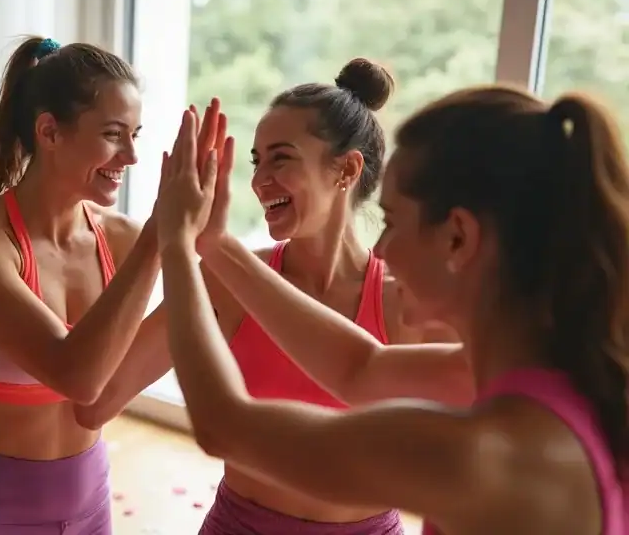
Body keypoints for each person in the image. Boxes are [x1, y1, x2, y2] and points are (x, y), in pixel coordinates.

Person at [157, 85, 629, 534]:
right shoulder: (556, 372)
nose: (380, 248)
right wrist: (214, 245)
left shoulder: (481, 454)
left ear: (458, 239)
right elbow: (360, 367)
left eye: (392, 221)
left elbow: (225, 427)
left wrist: (177, 246)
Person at [77, 59, 451, 534]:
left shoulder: (407, 304)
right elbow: (99, 402)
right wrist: (162, 232)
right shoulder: (227, 282)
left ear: (346, 169)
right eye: (256, 162)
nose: (258, 181)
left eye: (281, 158)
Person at [0, 36, 221, 534]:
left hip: (89, 507)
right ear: (50, 132)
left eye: (136, 135)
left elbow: (117, 383)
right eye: (113, 134)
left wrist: (198, 240)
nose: (131, 157)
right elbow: (74, 374)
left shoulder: (119, 239)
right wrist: (157, 240)